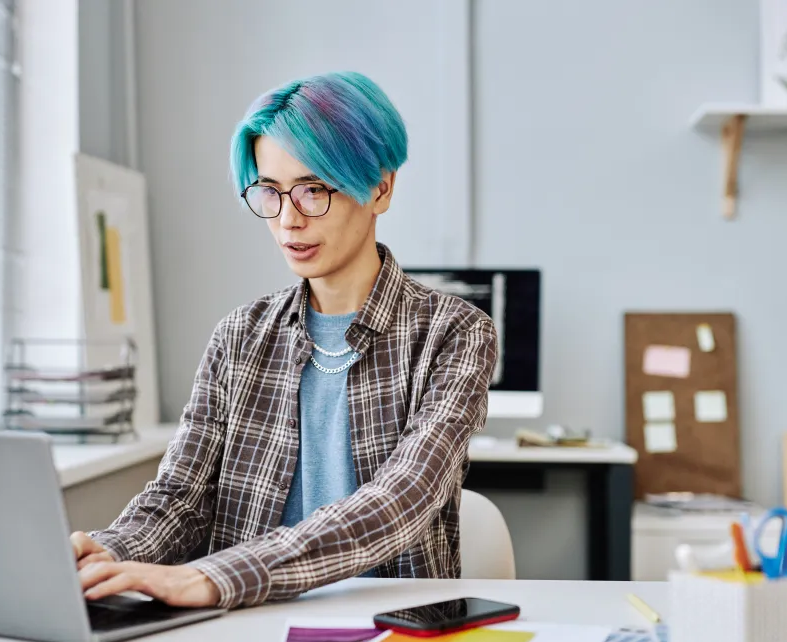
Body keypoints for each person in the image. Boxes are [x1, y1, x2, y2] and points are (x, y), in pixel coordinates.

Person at [72, 71, 498, 610]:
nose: (288, 220)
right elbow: (180, 499)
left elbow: (402, 500)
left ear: (380, 188)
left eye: (313, 190)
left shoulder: (455, 331)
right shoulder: (239, 336)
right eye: (269, 192)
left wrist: (215, 577)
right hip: (246, 625)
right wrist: (104, 555)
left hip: (395, 630)